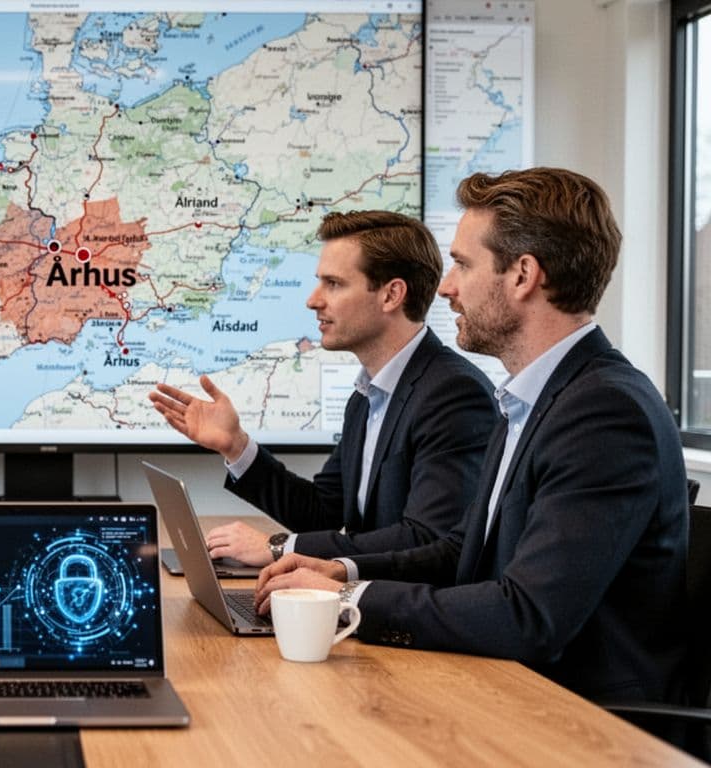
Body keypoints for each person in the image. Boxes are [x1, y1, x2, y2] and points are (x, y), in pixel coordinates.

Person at [255, 167, 688, 703]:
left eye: (462, 264)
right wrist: (340, 570)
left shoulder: (604, 412)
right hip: (507, 689)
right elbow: (466, 549)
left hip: (580, 720)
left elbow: (528, 616)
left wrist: (350, 598)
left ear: (523, 275)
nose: (446, 286)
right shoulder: (535, 397)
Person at [150, 210, 495, 564]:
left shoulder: (453, 394)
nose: (313, 300)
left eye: (333, 283)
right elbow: (323, 512)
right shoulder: (368, 396)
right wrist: (236, 446)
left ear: (392, 295)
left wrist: (278, 548)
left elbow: (426, 539)